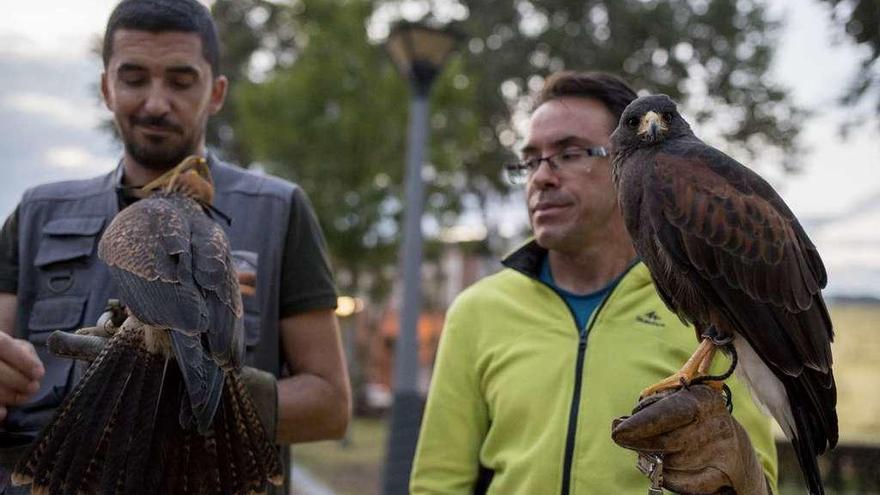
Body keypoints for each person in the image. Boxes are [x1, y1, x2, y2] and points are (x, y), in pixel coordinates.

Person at [0, 1, 350, 493]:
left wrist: (195, 391)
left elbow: (331, 407)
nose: (157, 102)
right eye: (135, 77)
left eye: (181, 81)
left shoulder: (278, 210)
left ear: (216, 92)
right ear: (106, 87)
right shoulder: (38, 212)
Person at [410, 71, 778, 494]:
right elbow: (438, 483)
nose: (541, 177)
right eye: (531, 160)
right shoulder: (476, 311)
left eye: (570, 153)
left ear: (627, 159)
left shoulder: (708, 306)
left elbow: (761, 483)